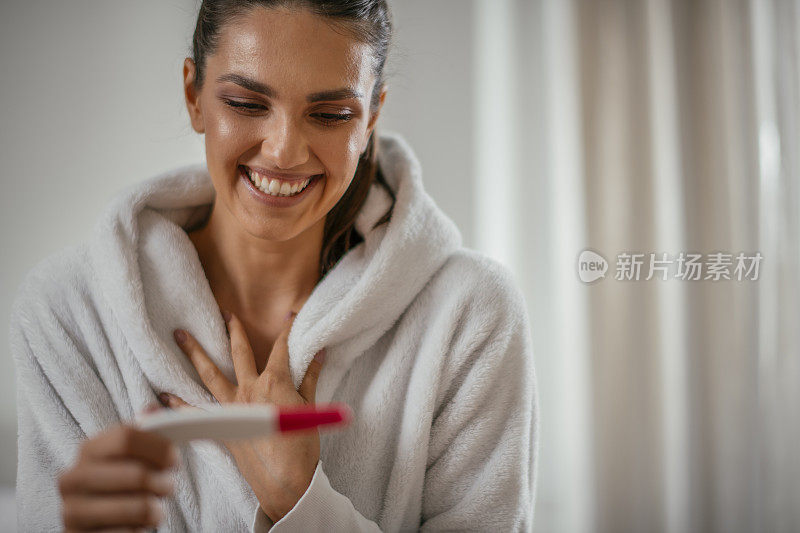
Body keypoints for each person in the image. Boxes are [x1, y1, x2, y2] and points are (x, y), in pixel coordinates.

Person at [10, 1, 539, 531]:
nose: (284, 151)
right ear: (194, 94)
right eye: (245, 103)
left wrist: (300, 502)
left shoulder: (471, 315)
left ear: (372, 114)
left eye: (331, 114)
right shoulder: (68, 311)